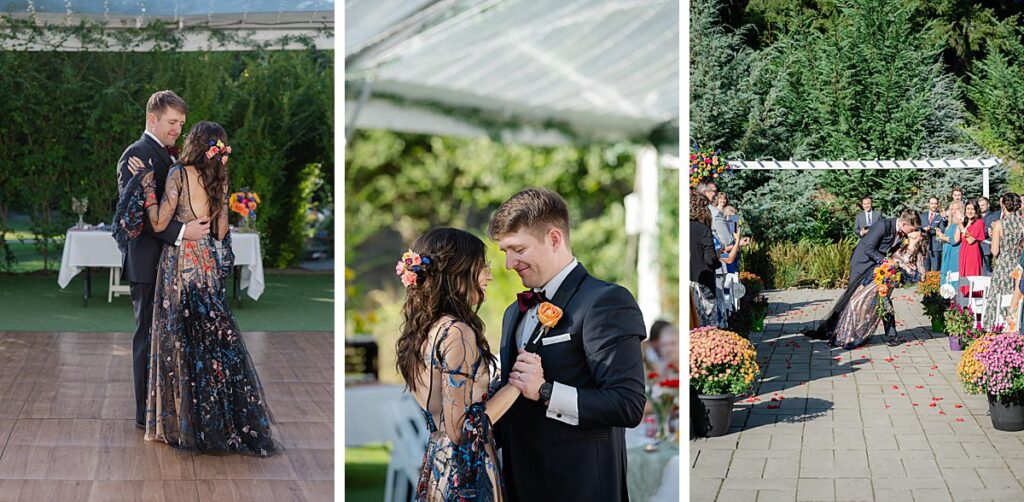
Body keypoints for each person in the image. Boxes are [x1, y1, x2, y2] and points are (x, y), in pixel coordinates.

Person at [120, 121, 278, 456]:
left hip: (179, 264)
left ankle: (180, 421)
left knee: (177, 339)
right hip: (206, 265)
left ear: (194, 142)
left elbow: (159, 222)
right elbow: (220, 232)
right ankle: (216, 424)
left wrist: (148, 188)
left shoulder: (179, 174)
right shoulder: (219, 180)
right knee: (209, 341)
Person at [488, 188, 646, 502]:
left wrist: (545, 391)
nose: (509, 263)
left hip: (580, 486)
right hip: (519, 484)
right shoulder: (513, 314)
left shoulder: (606, 302)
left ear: (555, 239)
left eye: (517, 249)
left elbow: (627, 404)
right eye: (505, 251)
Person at [394, 228, 522, 501]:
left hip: (437, 465)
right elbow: (461, 429)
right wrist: (516, 386)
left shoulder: (425, 330)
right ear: (457, 272)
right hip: (466, 475)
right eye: (481, 266)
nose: (488, 274)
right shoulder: (456, 332)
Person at [115, 90, 210, 432]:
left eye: (181, 124)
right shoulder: (136, 155)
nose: (177, 131)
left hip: (171, 264)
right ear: (152, 119)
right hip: (146, 262)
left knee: (167, 337)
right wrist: (184, 232)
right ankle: (144, 412)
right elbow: (138, 214)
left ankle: (164, 406)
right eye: (173, 123)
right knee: (147, 336)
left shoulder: (168, 156)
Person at [806, 210, 924, 347]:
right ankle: (838, 331)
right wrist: (885, 262)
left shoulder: (903, 234)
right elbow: (868, 248)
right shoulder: (883, 226)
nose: (913, 232)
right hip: (862, 265)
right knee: (851, 299)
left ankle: (892, 336)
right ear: (904, 224)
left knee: (884, 298)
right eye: (912, 228)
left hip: (880, 270)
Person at [982, 193, 1024, 330]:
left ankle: (996, 326)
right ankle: (1015, 325)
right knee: (1016, 295)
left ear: (1004, 205)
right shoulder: (1022, 223)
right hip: (1018, 263)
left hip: (1003, 263)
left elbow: (994, 251)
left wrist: (995, 236)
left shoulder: (1000, 224)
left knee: (998, 296)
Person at [690, 191, 720, 327]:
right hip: (703, 284)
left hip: (688, 283)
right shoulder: (703, 230)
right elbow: (710, 259)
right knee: (708, 325)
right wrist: (717, 259)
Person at [696, 180, 734, 249]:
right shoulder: (715, 213)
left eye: (724, 198)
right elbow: (728, 241)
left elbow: (733, 228)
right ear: (705, 192)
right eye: (714, 191)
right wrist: (738, 242)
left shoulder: (730, 210)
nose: (716, 194)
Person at [958, 200, 985, 294]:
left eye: (972, 209)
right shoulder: (966, 222)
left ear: (976, 210)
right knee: (963, 276)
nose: (970, 211)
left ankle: (973, 301)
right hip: (964, 252)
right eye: (968, 209)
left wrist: (960, 226)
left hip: (972, 253)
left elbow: (970, 240)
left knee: (971, 276)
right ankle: (964, 302)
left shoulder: (979, 223)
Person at [938, 201, 964, 288]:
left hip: (954, 253)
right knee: (945, 276)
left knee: (953, 276)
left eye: (956, 209)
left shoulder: (960, 223)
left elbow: (955, 240)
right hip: (947, 252)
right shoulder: (950, 223)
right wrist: (941, 235)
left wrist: (943, 238)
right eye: (952, 209)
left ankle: (954, 299)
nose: (954, 211)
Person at [979, 196, 1001, 275]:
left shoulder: (993, 216)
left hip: (987, 248)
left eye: (983, 205)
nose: (981, 207)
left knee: (988, 270)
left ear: (988, 205)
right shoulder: (977, 216)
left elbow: (991, 230)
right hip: (977, 246)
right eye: (980, 205)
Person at [922, 196, 945, 272]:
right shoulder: (922, 215)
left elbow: (942, 230)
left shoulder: (940, 217)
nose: (934, 205)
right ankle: (924, 284)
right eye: (932, 203)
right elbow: (918, 228)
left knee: (936, 270)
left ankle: (936, 284)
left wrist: (931, 230)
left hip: (936, 247)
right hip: (924, 247)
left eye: (935, 203)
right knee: (925, 270)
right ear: (928, 204)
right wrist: (924, 230)